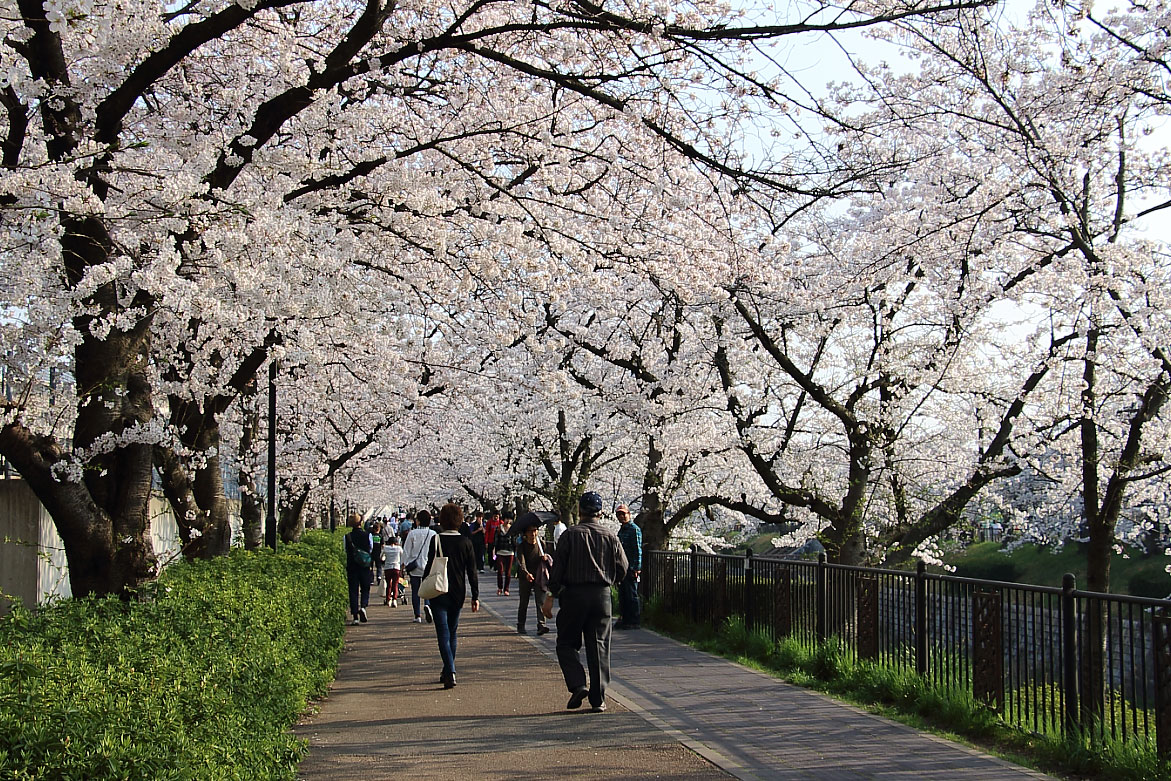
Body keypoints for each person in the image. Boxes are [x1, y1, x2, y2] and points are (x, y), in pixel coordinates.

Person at [543, 491, 628, 713]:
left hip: (574, 594)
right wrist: (611, 580)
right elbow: (623, 567)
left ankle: (578, 683)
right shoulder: (610, 536)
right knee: (599, 645)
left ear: (579, 510)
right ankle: (598, 699)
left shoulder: (570, 535)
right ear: (600, 512)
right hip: (602, 595)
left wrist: (552, 593)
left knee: (566, 642)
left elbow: (558, 568)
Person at [424, 503, 480, 688]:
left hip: (438, 590)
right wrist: (475, 596)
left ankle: (450, 670)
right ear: (460, 520)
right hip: (458, 591)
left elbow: (429, 565)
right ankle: (448, 670)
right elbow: (472, 572)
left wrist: (424, 588)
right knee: (453, 631)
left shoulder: (436, 540)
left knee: (443, 632)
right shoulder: (466, 542)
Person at [401, 511, 437, 623]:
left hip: (414, 567)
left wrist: (403, 565)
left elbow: (406, 551)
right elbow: (436, 551)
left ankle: (417, 615)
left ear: (418, 521)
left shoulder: (412, 534)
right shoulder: (433, 534)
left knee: (415, 591)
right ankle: (427, 605)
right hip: (429, 566)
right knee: (428, 589)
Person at [516, 523, 551, 635]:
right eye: (530, 531)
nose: (533, 534)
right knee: (524, 601)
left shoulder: (541, 544)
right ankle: (521, 624)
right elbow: (521, 562)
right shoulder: (522, 546)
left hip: (539, 576)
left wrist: (545, 558)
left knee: (540, 600)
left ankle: (541, 624)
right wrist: (526, 573)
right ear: (525, 533)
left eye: (535, 530)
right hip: (526, 576)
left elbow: (547, 559)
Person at [614, 504, 642, 630]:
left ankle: (634, 620)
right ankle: (625, 619)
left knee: (632, 594)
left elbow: (637, 549)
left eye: (623, 514)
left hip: (631, 567)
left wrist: (636, 567)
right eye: (619, 514)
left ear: (629, 514)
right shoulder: (622, 530)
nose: (621, 516)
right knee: (623, 594)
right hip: (622, 567)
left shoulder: (634, 529)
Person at [344, 512, 375, 625]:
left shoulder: (347, 537)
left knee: (353, 590)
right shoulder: (368, 535)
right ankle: (363, 606)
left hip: (352, 566)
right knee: (365, 588)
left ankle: (355, 616)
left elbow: (345, 550)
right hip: (365, 566)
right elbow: (370, 549)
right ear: (360, 522)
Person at [492, 511, 516, 595]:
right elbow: (495, 541)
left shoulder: (512, 529)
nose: (508, 521)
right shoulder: (498, 528)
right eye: (506, 519)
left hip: (510, 552)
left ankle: (506, 589)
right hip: (500, 552)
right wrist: (494, 551)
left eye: (509, 519)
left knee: (508, 572)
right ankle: (500, 587)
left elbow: (514, 541)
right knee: (500, 570)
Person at [382, 532, 403, 606]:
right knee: (395, 584)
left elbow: (381, 557)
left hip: (388, 568)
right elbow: (403, 556)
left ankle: (388, 599)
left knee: (388, 584)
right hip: (396, 567)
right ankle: (394, 599)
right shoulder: (399, 548)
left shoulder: (385, 548)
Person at [370, 520, 385, 586]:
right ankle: (379, 577)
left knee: (371, 567)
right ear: (378, 529)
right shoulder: (380, 536)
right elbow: (383, 545)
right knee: (379, 566)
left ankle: (371, 579)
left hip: (371, 553)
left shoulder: (370, 536)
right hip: (378, 553)